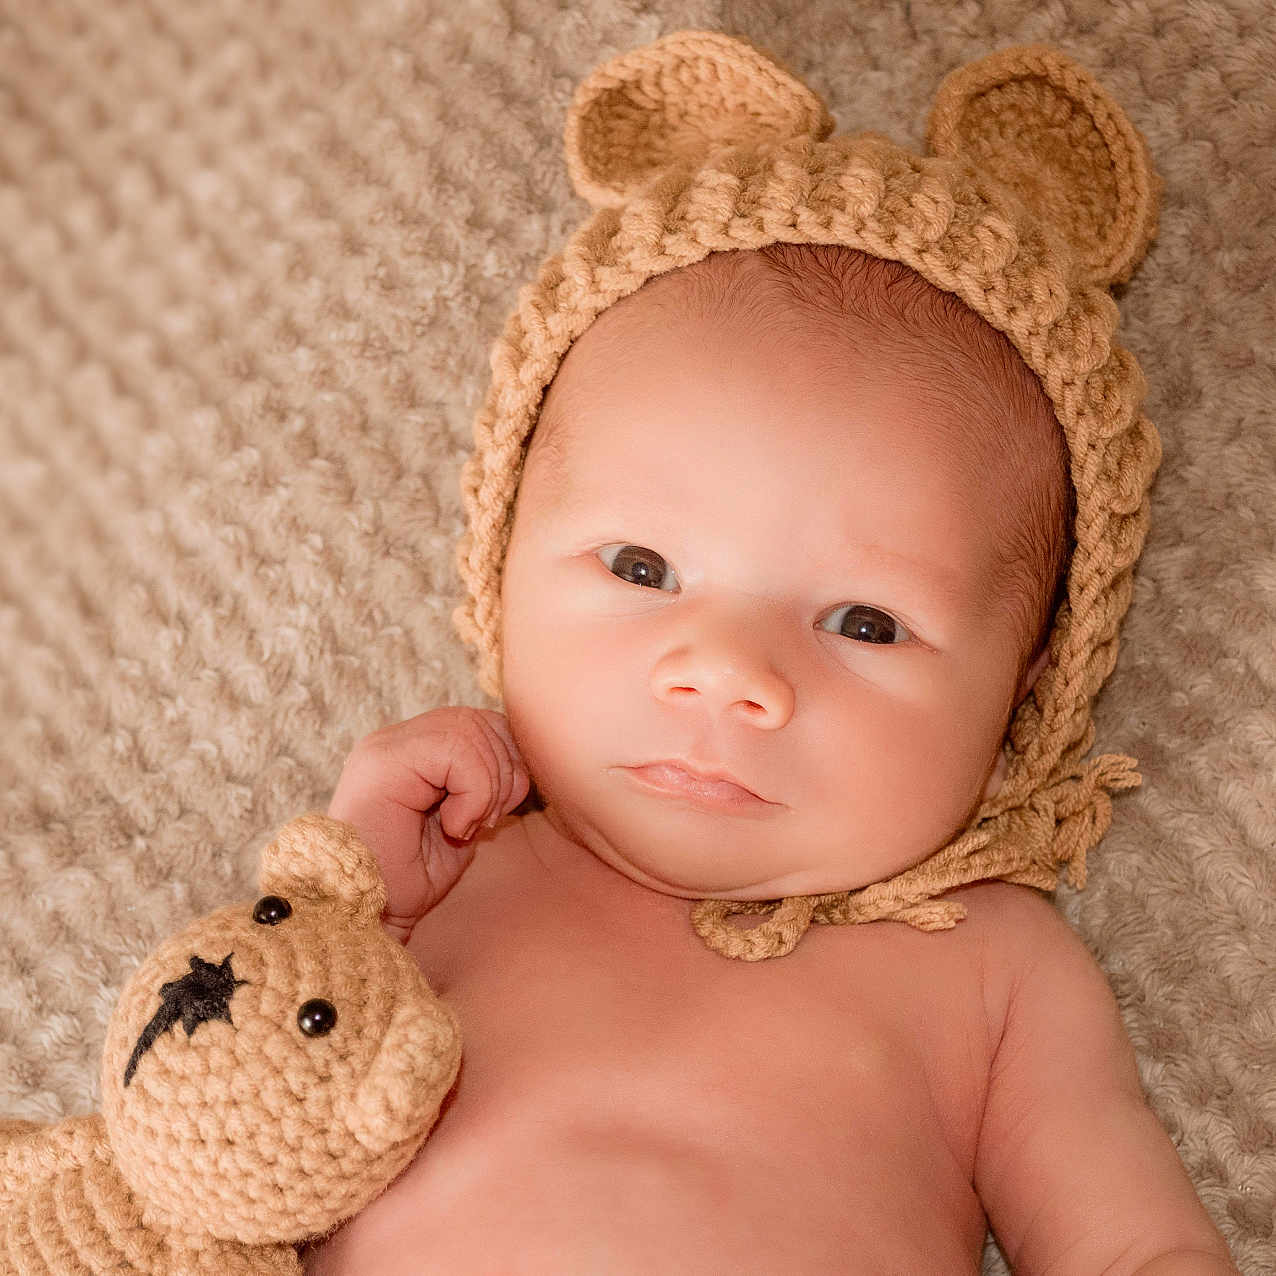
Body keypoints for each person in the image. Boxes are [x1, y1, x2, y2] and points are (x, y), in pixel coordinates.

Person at [302, 32, 1239, 1273]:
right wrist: (336, 898)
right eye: (641, 570)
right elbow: (224, 1109)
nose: (724, 672)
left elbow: (1134, 1250)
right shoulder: (446, 876)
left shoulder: (992, 973)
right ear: (498, 558)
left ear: (1027, 696)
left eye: (863, 622)